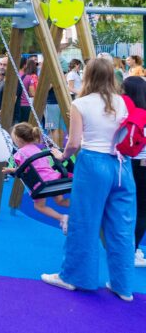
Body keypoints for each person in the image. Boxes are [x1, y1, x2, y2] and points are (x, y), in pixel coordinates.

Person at [42, 58, 135, 301]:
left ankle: (74, 277)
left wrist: (62, 156)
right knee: (122, 227)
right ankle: (123, 286)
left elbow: (74, 142)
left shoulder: (80, 103)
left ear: (87, 76)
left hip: (93, 163)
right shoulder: (123, 102)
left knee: (84, 222)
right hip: (121, 165)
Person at [3, 123, 70, 232]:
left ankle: (62, 217)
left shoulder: (19, 153)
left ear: (18, 139)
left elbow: (22, 170)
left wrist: (11, 170)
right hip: (55, 178)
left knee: (39, 206)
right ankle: (81, 206)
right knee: (60, 201)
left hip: (40, 183)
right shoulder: (37, 149)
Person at [122, 76, 146, 268]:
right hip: (143, 164)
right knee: (141, 210)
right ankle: (132, 249)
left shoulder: (123, 112)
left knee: (126, 206)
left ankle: (127, 247)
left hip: (126, 162)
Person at [18, 58, 39, 123]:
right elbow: (32, 93)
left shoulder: (13, 77)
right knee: (25, 125)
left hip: (16, 105)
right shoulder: (28, 78)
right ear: (24, 65)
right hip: (25, 105)